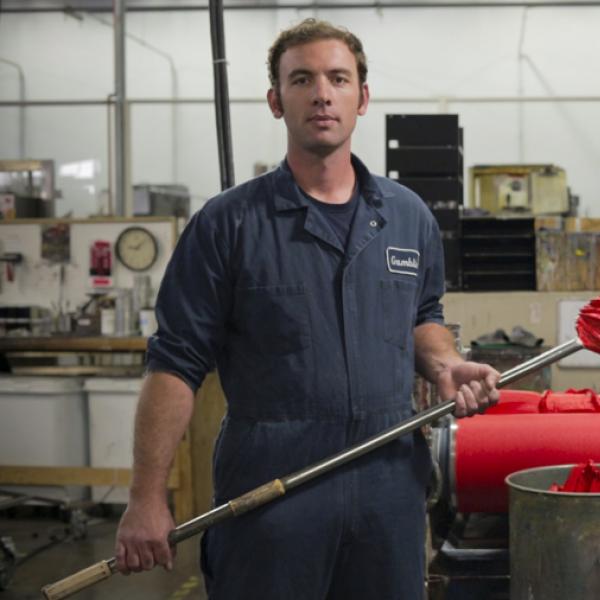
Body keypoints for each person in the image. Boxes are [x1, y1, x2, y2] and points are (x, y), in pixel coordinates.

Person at [115, 18, 499, 599]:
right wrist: (147, 497)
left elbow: (423, 315)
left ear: (361, 97)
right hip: (272, 492)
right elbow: (175, 363)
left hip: (388, 487)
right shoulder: (229, 223)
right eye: (302, 79)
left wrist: (445, 365)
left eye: (338, 78)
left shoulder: (407, 215)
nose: (322, 93)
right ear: (276, 100)